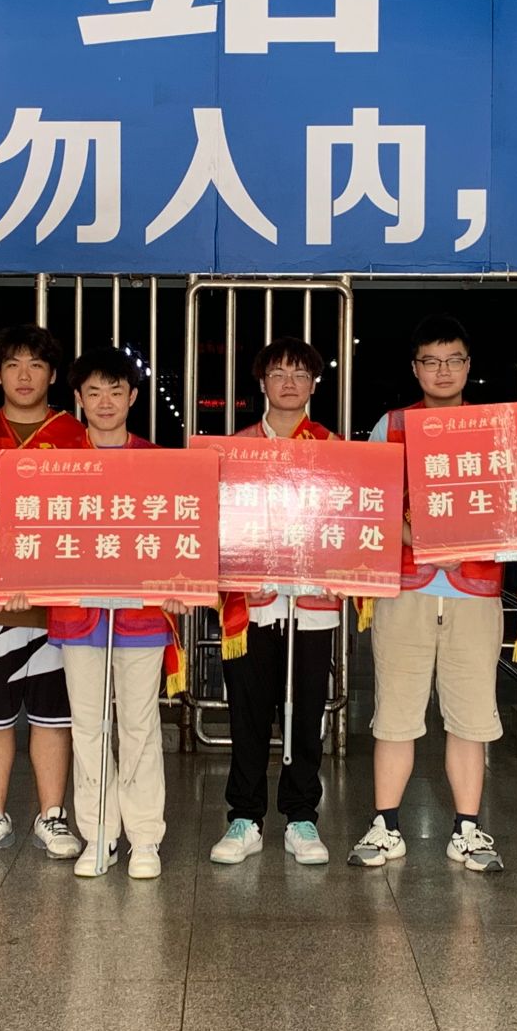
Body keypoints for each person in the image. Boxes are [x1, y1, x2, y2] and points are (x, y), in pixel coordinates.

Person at [348, 314, 506, 874]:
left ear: (469, 366)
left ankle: (468, 828)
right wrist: (421, 538)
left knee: (469, 716)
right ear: (415, 368)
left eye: (454, 360)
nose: (443, 371)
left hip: (475, 589)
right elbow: (369, 500)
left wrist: (474, 541)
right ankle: (385, 825)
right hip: (407, 588)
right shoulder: (391, 426)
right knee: (395, 712)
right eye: (431, 361)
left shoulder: (496, 427)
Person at [0, 325, 91, 862]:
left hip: (60, 606)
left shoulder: (77, 435)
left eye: (35, 364)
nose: (24, 375)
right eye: (13, 364)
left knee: (54, 717)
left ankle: (52, 815)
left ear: (53, 376)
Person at [48, 349, 179, 879]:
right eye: (94, 393)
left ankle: (144, 837)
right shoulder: (54, 465)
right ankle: (98, 833)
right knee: (87, 725)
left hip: (142, 615)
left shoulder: (159, 462)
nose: (105, 403)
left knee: (140, 725)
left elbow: (179, 535)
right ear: (78, 399)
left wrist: (180, 585)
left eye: (116, 392)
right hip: (78, 614)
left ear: (133, 397)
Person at [209, 337, 337, 868]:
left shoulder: (334, 448)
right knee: (248, 713)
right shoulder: (231, 450)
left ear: (313, 384)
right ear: (261, 383)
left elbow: (351, 523)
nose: (289, 383)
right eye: (278, 373)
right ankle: (245, 817)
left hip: (312, 605)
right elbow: (212, 526)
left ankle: (302, 816)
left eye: (300, 374)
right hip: (252, 604)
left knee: (306, 713)